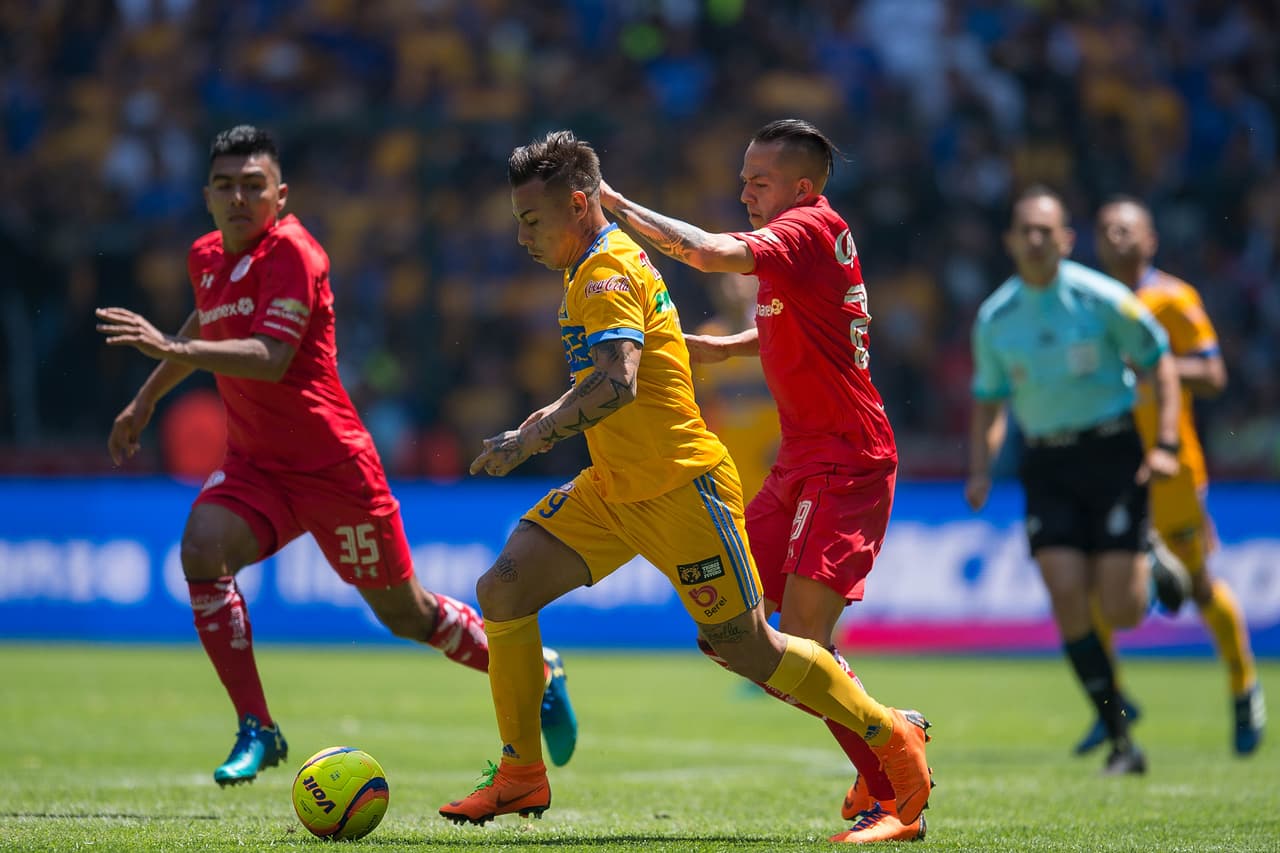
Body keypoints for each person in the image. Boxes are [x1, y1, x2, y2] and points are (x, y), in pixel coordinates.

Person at [437, 130, 932, 840]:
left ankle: (893, 747)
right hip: (619, 486)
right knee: (506, 587)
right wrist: (721, 347)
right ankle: (521, 772)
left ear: (578, 205)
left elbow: (617, 376)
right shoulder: (589, 268)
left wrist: (532, 437)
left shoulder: (613, 270)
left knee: (757, 645)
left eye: (531, 219)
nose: (520, 236)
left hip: (696, 484)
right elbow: (798, 324)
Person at [95, 125, 577, 786]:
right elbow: (207, 318)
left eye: (253, 185)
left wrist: (171, 354)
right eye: (226, 186)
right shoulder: (205, 255)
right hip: (255, 467)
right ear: (207, 195)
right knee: (201, 549)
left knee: (407, 614)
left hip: (331, 467)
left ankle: (538, 669)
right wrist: (146, 399)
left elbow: (270, 357)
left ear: (280, 195)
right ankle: (258, 728)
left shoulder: (296, 252)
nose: (240, 197)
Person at [598, 119, 915, 844]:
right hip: (801, 462)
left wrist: (615, 202)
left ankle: (896, 788)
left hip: (846, 460)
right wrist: (732, 346)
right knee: (730, 631)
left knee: (800, 632)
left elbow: (708, 254)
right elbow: (810, 318)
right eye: (742, 179)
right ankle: (886, 737)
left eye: (757, 181)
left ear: (800, 188)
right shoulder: (807, 240)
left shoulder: (802, 227)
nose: (743, 191)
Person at [965, 185, 1183, 776]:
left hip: (1111, 455)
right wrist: (981, 467)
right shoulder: (995, 318)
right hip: (1047, 463)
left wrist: (1166, 444)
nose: (1035, 241)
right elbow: (989, 401)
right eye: (1025, 231)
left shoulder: (1103, 298)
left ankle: (1147, 550)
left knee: (1123, 609)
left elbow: (1159, 362)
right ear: (1011, 241)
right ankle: (1119, 738)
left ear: (1065, 239)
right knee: (1065, 593)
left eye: (1047, 231)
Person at [1077, 196, 1264, 756]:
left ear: (1150, 239)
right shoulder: (1089, 302)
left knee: (1199, 585)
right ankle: (1111, 705)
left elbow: (1212, 372)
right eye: (1106, 228)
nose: (1115, 236)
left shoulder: (1174, 298)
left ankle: (1243, 687)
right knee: (1092, 587)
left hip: (1171, 465)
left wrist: (1153, 364)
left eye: (1125, 228)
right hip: (1109, 465)